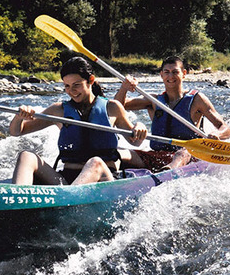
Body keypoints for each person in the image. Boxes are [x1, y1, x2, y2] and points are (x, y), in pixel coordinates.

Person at [9, 56, 147, 185]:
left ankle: (67, 200)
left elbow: (135, 140)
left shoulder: (112, 107)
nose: (71, 91)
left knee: (95, 163)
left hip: (104, 180)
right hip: (68, 180)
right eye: (67, 86)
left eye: (76, 85)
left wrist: (139, 127)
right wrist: (19, 117)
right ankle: (17, 201)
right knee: (26, 156)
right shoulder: (59, 110)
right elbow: (16, 132)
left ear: (91, 80)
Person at [115, 55, 230, 171]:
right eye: (166, 72)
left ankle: (168, 172)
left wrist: (217, 134)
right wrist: (124, 88)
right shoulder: (153, 100)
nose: (170, 76)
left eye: (175, 72)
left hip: (189, 155)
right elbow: (116, 107)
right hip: (158, 156)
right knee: (119, 154)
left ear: (184, 73)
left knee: (182, 152)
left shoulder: (197, 99)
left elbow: (225, 128)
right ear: (161, 74)